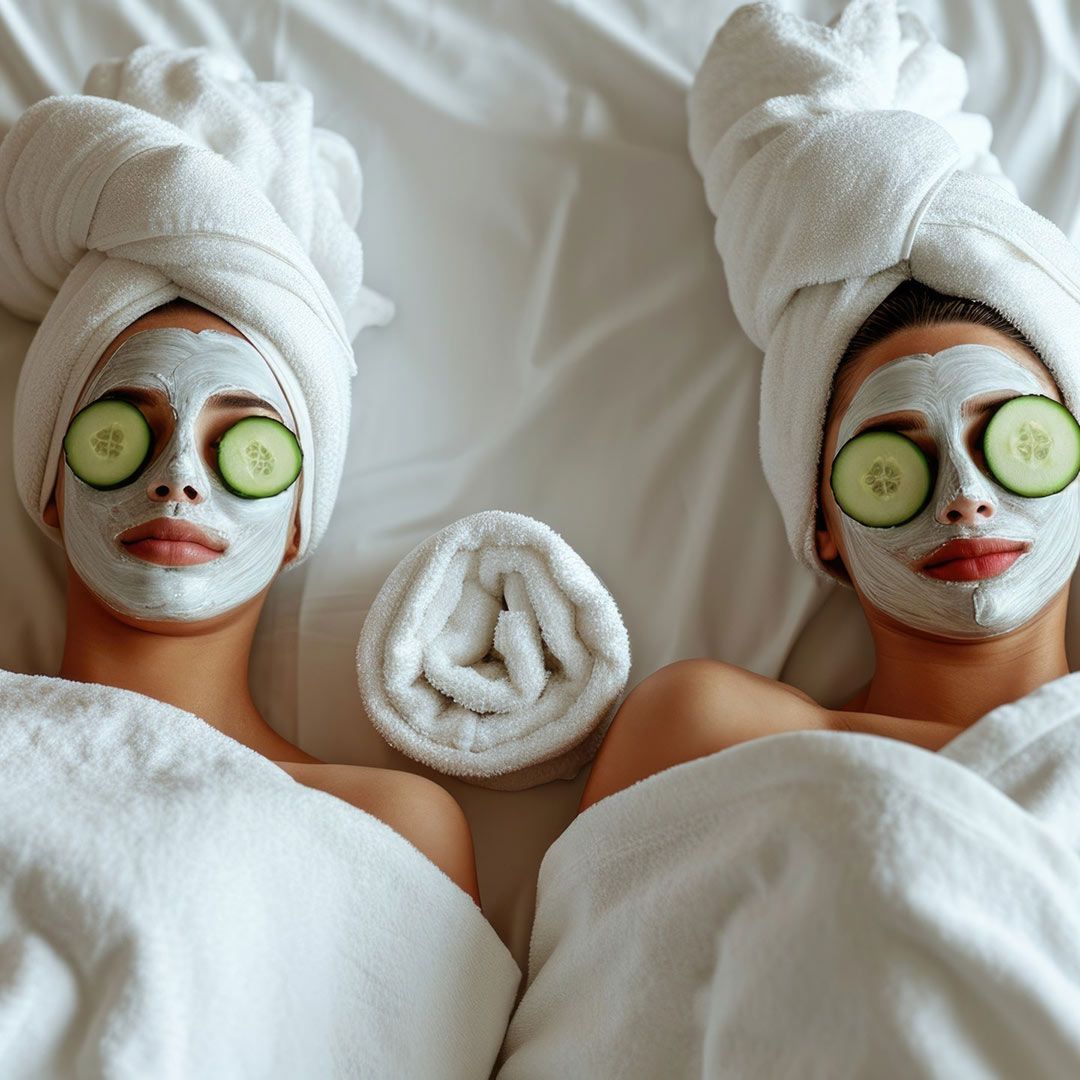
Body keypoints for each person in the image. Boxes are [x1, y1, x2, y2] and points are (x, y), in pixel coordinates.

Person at [40, 294, 482, 905]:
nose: (178, 478)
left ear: (296, 525)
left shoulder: (385, 824)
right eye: (126, 432)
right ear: (52, 491)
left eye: (242, 448)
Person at [580, 278, 1080, 813]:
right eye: (887, 469)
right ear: (824, 527)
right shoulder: (711, 733)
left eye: (1012, 442)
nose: (964, 498)